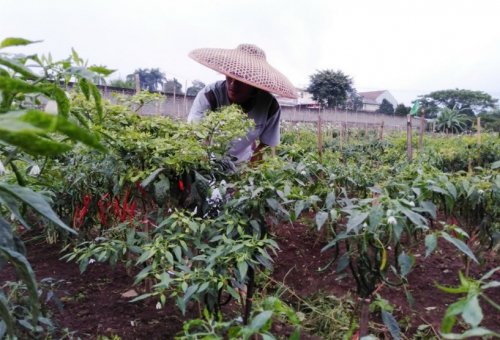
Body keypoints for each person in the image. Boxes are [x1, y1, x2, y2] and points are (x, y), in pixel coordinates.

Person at [187, 44, 297, 163]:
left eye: (241, 79)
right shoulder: (210, 96)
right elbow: (196, 136)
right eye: (231, 75)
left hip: (242, 163)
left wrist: (247, 173)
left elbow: (265, 145)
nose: (233, 84)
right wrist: (206, 168)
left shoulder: (270, 107)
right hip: (209, 161)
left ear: (255, 81)